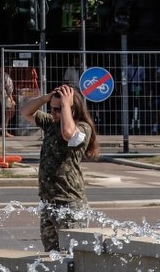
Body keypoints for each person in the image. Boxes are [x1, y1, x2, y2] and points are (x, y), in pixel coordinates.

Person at [20, 84, 100, 253]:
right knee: (52, 256)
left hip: (69, 204)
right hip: (48, 203)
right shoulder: (51, 123)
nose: (54, 113)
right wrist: (46, 98)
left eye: (58, 109)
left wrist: (65, 105)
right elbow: (25, 112)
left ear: (73, 108)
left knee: (72, 257)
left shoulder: (82, 128)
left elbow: (68, 134)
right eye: (52, 109)